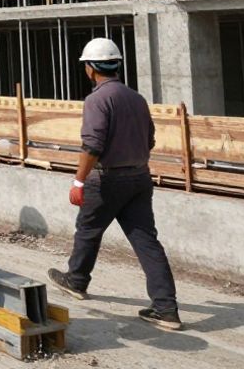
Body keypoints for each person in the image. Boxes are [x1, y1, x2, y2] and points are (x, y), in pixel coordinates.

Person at [49, 38, 181, 331]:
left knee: (88, 230)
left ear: (91, 68)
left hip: (108, 179)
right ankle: (166, 308)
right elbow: (150, 140)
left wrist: (78, 181)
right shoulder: (137, 98)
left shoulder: (96, 100)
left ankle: (76, 280)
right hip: (139, 178)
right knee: (147, 241)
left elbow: (92, 145)